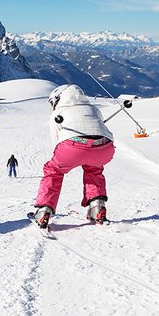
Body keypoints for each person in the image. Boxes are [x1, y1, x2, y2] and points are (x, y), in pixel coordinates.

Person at [32, 85, 115, 228]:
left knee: (53, 171)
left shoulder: (59, 112)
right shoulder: (93, 108)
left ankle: (44, 210)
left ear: (58, 99)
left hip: (72, 147)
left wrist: (63, 160)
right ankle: (97, 207)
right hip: (104, 147)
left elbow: (56, 141)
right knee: (94, 169)